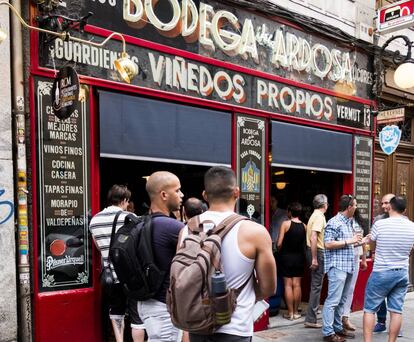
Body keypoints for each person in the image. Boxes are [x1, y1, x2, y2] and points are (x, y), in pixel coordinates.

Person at [180, 166, 276, 341]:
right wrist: (247, 296)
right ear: (237, 192)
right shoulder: (255, 232)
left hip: (198, 325)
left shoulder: (187, 229)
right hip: (235, 328)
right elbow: (268, 287)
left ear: (204, 195)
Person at [89, 185, 145, 342]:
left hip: (110, 276)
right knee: (137, 317)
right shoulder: (131, 218)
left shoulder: (95, 220)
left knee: (116, 311)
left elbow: (99, 248)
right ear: (125, 200)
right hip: (130, 275)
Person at [137, 171, 185, 341]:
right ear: (164, 195)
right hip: (163, 307)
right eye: (177, 190)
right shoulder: (172, 227)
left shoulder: (141, 222)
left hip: (145, 303)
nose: (182, 195)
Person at [363, 196, 414, 342]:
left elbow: (370, 241)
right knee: (396, 311)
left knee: (369, 309)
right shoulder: (412, 226)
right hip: (402, 272)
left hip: (382, 272)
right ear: (404, 210)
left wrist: (365, 239)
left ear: (390, 207)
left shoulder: (380, 224)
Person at [322, 195, 362, 342]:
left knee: (342, 300)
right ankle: (328, 332)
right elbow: (328, 244)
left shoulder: (348, 222)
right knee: (333, 301)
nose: (356, 208)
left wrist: (361, 241)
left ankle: (338, 328)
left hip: (348, 266)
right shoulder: (334, 222)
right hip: (337, 267)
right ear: (349, 207)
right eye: (355, 205)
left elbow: (349, 243)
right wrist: (349, 241)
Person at [277, 202, 306, 320]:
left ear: (289, 212)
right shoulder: (305, 226)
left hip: (286, 257)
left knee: (288, 285)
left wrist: (280, 249)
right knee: (297, 285)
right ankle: (296, 312)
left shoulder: (285, 224)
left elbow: (279, 243)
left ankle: (290, 313)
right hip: (299, 257)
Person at [372, 193, 396, 334]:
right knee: (379, 295)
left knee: (395, 297)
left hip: (396, 265)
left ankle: (395, 326)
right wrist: (374, 254)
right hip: (381, 264)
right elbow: (374, 240)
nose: (383, 206)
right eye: (382, 203)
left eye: (386, 203)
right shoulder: (378, 219)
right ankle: (381, 322)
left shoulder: (403, 220)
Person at [341, 208, 368, 331]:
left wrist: (363, 258)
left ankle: (345, 317)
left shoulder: (358, 222)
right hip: (343, 258)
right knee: (340, 288)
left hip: (356, 257)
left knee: (351, 288)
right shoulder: (341, 222)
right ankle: (338, 317)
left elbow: (363, 242)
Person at [304, 194, 329, 329]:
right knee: (316, 285)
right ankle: (311, 319)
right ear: (324, 204)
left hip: (313, 251)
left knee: (315, 284)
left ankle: (311, 315)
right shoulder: (319, 217)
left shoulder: (314, 215)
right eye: (327, 203)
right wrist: (314, 258)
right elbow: (314, 237)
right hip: (317, 252)